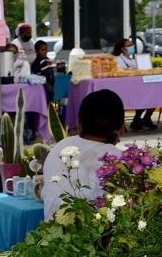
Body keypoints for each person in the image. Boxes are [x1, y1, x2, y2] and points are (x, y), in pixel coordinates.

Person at [41, 89, 125, 220]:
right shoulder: (117, 159)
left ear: (79, 124)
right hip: (91, 237)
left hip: (49, 235)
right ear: (121, 127)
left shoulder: (60, 147)